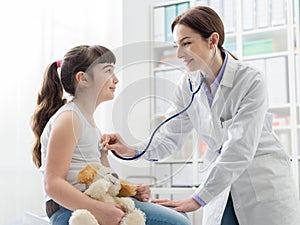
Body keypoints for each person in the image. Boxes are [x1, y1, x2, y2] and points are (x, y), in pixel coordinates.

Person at [102, 6, 300, 225]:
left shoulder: (250, 80)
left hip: (261, 185)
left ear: (212, 40)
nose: (179, 55)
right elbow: (169, 137)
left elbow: (240, 148)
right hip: (220, 188)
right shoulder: (187, 84)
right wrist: (131, 150)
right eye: (176, 46)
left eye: (186, 44)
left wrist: (197, 199)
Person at [31, 45, 191, 225]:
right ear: (83, 79)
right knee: (179, 223)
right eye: (108, 71)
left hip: (93, 201)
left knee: (181, 217)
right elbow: (52, 184)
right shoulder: (69, 118)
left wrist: (131, 190)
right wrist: (96, 209)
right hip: (69, 210)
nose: (115, 80)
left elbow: (103, 177)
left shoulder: (87, 121)